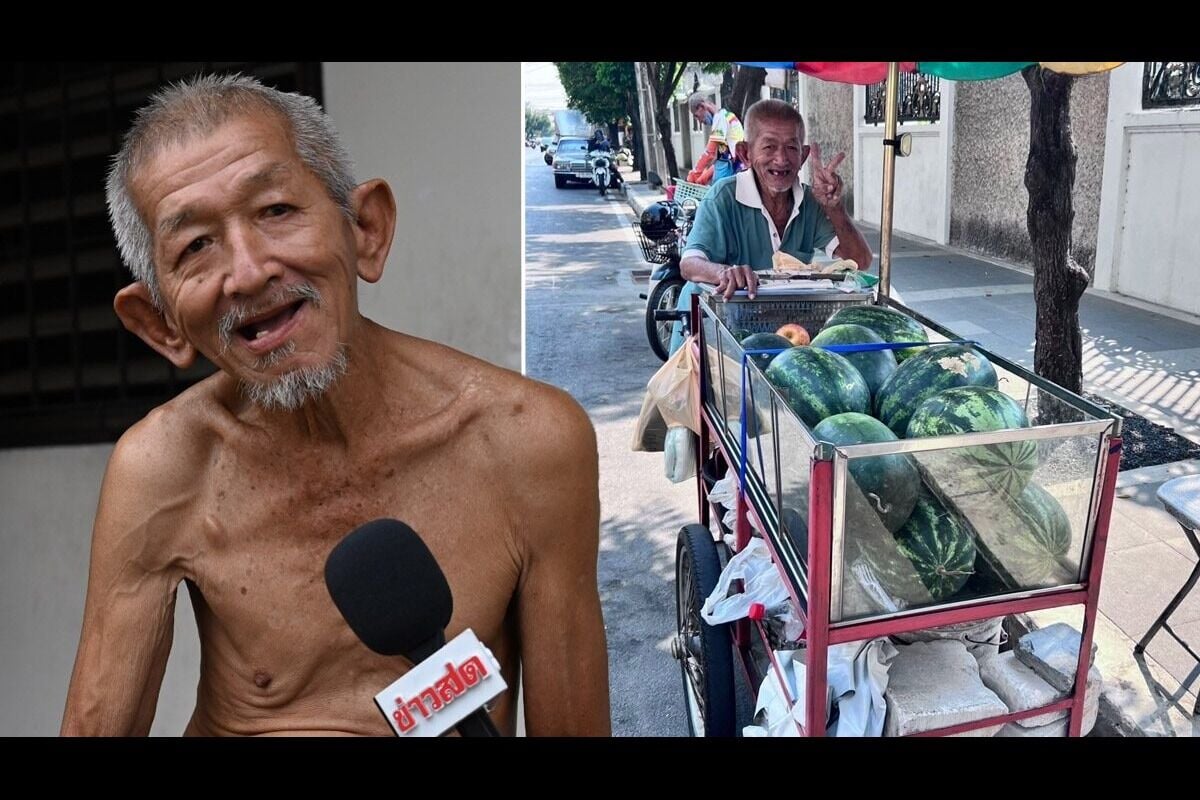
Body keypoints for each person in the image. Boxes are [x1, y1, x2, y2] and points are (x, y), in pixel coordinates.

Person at [60, 74, 610, 736]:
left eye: (276, 211)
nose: (249, 271)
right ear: (161, 324)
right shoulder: (162, 470)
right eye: (195, 247)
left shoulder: (530, 442)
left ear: (367, 230)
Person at [669, 99, 873, 353]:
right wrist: (724, 273)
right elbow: (689, 264)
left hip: (779, 332)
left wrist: (835, 207)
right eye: (769, 147)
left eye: (791, 147)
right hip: (712, 333)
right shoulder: (723, 197)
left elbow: (860, 261)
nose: (781, 159)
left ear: (804, 155)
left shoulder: (811, 202)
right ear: (745, 153)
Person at [685, 93, 745, 186]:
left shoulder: (720, 118)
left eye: (696, 116)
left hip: (734, 172)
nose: (700, 121)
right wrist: (703, 178)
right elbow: (721, 158)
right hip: (736, 170)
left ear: (702, 106)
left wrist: (694, 175)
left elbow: (709, 153)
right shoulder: (727, 116)